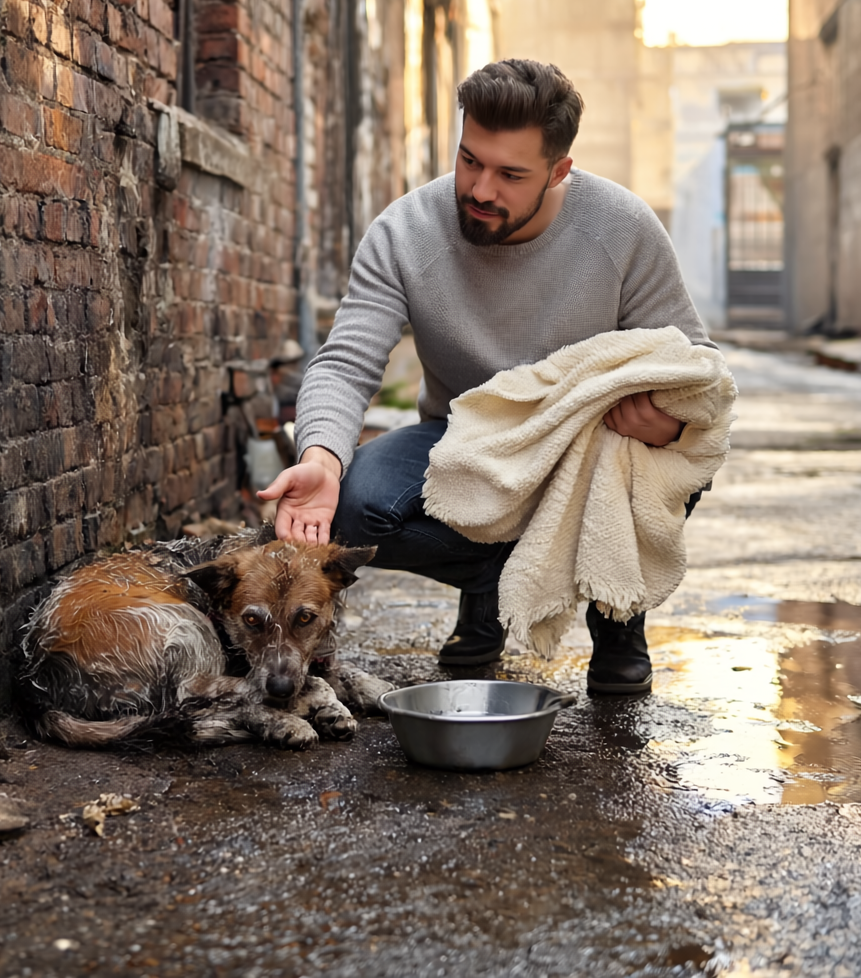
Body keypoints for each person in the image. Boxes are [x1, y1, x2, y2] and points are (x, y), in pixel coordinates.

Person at [259, 59, 712, 693]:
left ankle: (618, 610)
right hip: (462, 440)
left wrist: (669, 420)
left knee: (683, 463)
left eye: (510, 174)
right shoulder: (406, 232)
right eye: (470, 160)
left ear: (559, 171)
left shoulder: (622, 227)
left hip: (590, 447)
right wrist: (322, 457)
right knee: (355, 507)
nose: (480, 188)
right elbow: (347, 359)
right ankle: (495, 594)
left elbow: (695, 362)